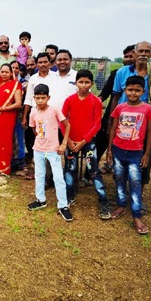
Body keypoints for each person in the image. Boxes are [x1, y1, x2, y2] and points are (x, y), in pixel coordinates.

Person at [110, 41, 151, 209]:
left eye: (147, 51)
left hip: (148, 123)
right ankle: (121, 195)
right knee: (120, 158)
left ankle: (138, 196)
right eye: (140, 50)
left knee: (144, 159)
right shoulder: (122, 72)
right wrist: (110, 122)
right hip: (123, 123)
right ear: (133, 53)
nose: (143, 54)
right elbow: (115, 96)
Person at [107, 76, 151, 235]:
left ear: (143, 91)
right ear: (125, 90)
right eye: (130, 90)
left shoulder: (148, 109)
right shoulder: (120, 108)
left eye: (137, 90)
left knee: (135, 183)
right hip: (118, 150)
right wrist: (109, 150)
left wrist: (147, 154)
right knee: (119, 178)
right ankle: (121, 205)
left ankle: (137, 215)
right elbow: (114, 128)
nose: (133, 93)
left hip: (136, 153)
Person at [62, 69, 111, 220]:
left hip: (88, 142)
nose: (83, 85)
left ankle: (103, 202)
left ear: (92, 83)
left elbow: (97, 125)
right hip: (71, 141)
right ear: (75, 83)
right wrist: (69, 141)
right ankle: (69, 196)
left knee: (94, 171)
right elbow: (62, 121)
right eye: (80, 82)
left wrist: (84, 141)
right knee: (70, 170)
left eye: (87, 82)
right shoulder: (69, 100)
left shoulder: (96, 101)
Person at [27, 84, 72, 221]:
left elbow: (67, 125)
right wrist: (41, 139)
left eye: (43, 98)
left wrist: (64, 143)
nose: (40, 101)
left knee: (58, 177)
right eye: (37, 98)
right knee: (39, 175)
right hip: (39, 149)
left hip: (54, 150)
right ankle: (41, 199)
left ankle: (63, 205)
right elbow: (34, 129)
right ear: (34, 98)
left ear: (48, 97)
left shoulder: (54, 110)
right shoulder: (33, 112)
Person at [96, 45, 135, 173]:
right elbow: (105, 92)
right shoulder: (117, 74)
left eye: (131, 56)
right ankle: (90, 172)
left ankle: (116, 168)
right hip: (112, 115)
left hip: (133, 119)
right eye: (126, 56)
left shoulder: (147, 75)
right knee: (101, 141)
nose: (128, 59)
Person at [22, 53, 55, 171]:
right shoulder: (33, 78)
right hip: (37, 116)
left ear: (50, 63)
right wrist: (25, 117)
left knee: (49, 141)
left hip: (51, 116)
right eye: (40, 62)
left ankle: (50, 170)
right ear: (37, 64)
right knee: (37, 139)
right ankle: (39, 167)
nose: (43, 64)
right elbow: (28, 99)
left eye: (45, 62)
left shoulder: (55, 77)